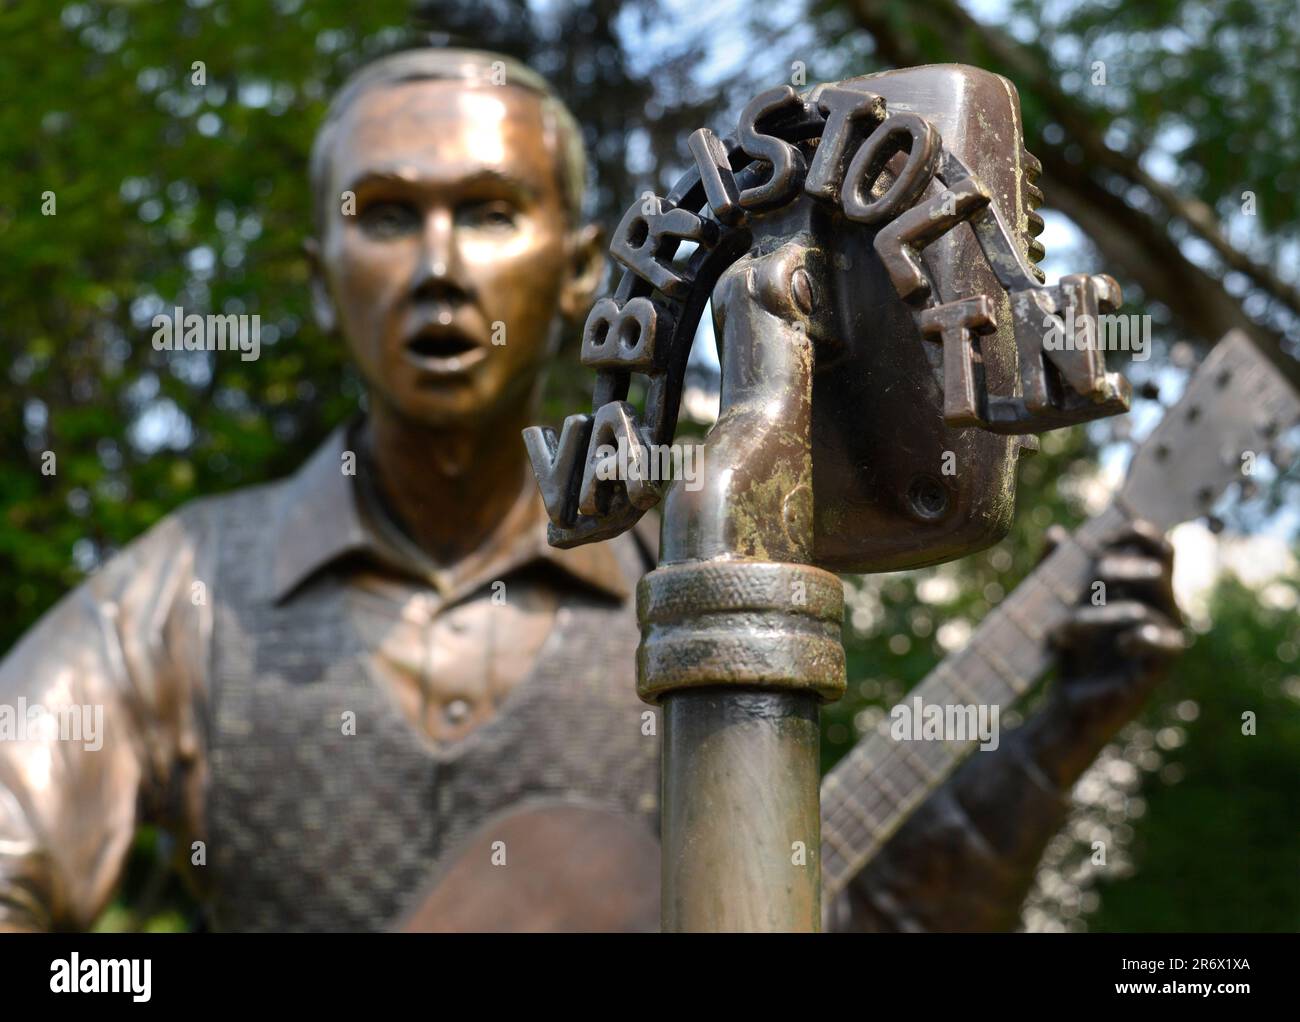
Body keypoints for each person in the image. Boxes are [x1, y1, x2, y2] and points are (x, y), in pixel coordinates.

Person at [0, 47, 1181, 932]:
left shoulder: (707, 553)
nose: (441, 268)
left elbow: (856, 916)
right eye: (389, 216)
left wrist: (1046, 745)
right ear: (319, 282)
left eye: (489, 211)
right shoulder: (175, 593)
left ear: (578, 269)